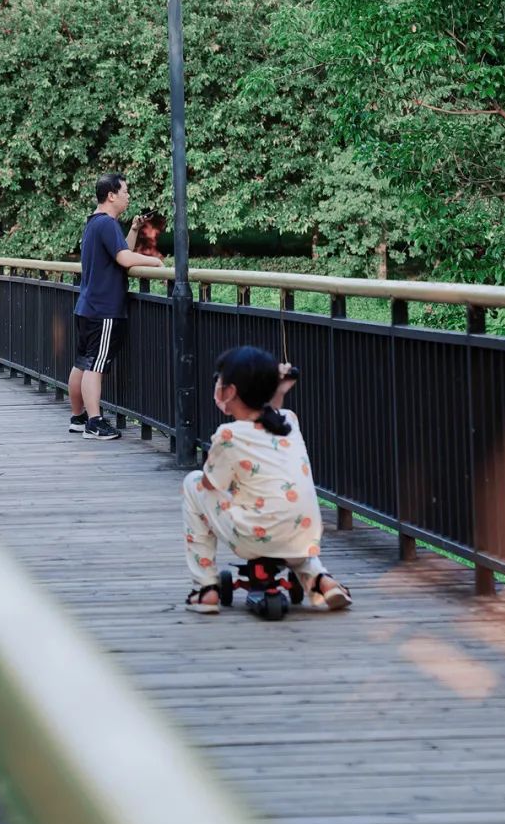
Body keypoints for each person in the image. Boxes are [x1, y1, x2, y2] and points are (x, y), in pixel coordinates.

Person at [182, 346, 352, 614]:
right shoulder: (290, 421)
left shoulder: (229, 436)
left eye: (219, 380)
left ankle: (205, 588)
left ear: (231, 391)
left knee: (193, 483)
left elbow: (210, 485)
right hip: (304, 539)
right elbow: (271, 411)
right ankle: (322, 580)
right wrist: (279, 389)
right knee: (282, 510)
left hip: (254, 538)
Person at [67, 173, 164, 441]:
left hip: (87, 305)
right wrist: (155, 261)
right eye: (125, 191)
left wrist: (133, 230)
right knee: (95, 366)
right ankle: (95, 423)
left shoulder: (95, 223)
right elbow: (123, 258)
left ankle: (78, 418)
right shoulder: (107, 223)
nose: (128, 195)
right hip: (104, 308)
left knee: (82, 363)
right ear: (111, 195)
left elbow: (119, 252)